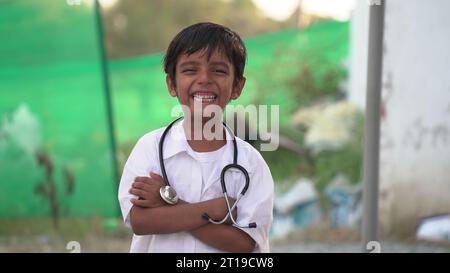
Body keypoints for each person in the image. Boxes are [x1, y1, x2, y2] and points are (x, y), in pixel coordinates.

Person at [118, 22, 274, 253]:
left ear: (237, 87)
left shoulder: (250, 163)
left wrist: (168, 202)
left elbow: (244, 243)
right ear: (172, 84)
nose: (204, 79)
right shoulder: (150, 148)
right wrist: (216, 208)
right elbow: (141, 222)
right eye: (190, 70)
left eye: (219, 71)